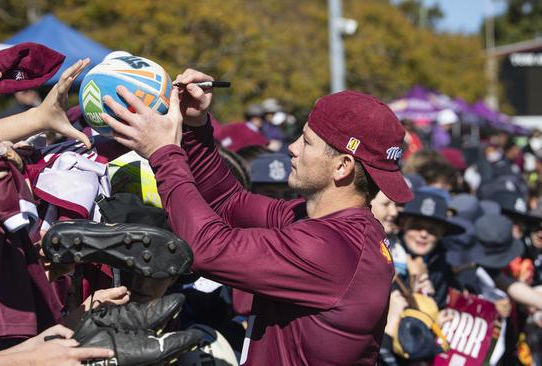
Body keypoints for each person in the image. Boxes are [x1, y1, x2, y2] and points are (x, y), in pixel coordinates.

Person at [98, 69, 414, 364]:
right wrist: (195, 127)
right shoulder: (323, 225)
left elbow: (207, 248)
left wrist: (164, 152)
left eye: (306, 142)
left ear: (342, 166)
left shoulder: (331, 248)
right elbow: (228, 201)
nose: (291, 148)